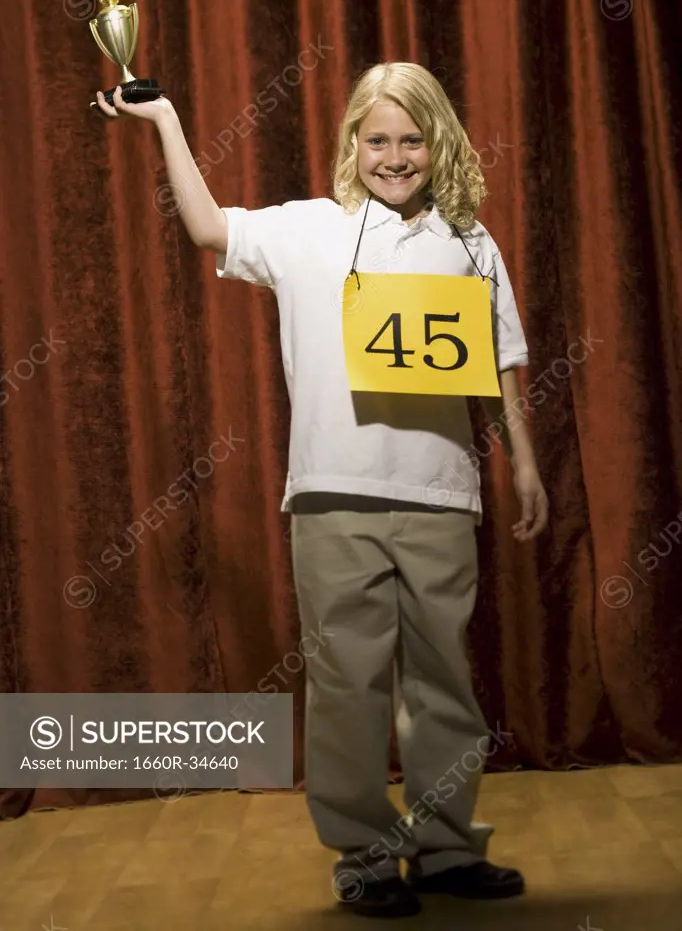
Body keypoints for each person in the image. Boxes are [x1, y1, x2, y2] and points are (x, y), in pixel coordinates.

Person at [96, 61, 548, 920]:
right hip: (332, 497)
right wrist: (167, 124)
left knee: (444, 681)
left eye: (412, 138)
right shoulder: (308, 229)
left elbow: (502, 358)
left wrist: (521, 456)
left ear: (437, 141)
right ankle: (367, 857)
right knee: (347, 682)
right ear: (352, 144)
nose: (395, 155)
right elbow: (207, 229)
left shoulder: (470, 241)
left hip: (442, 494)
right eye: (377, 139)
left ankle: (448, 849)